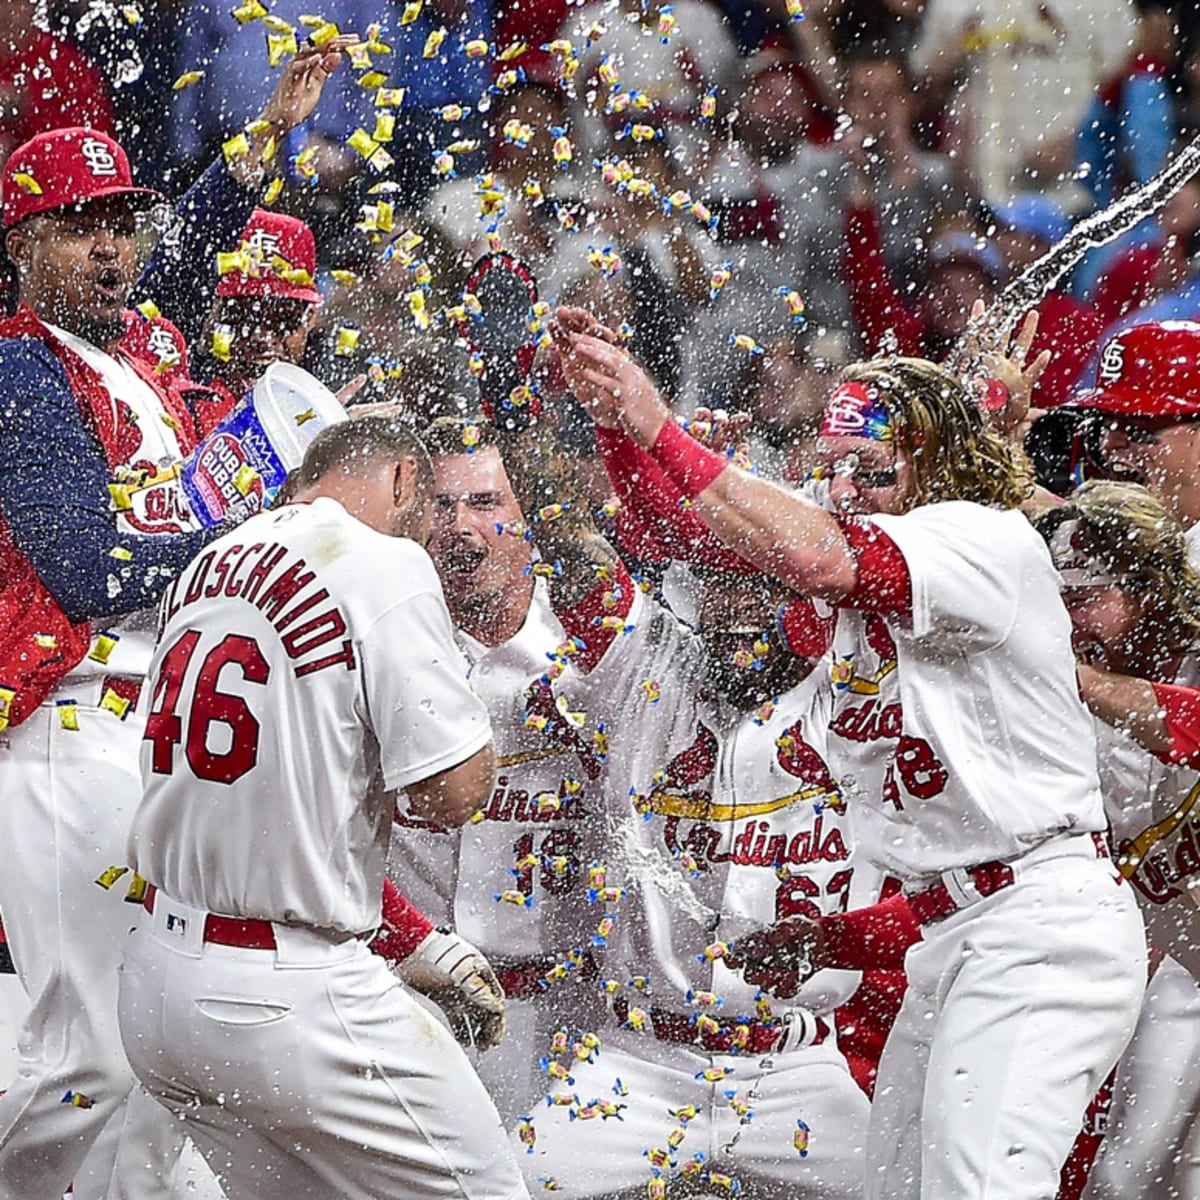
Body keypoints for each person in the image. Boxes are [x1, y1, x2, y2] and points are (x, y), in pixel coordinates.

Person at [554, 307, 1147, 1200]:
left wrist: (654, 421)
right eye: (832, 472)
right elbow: (691, 543)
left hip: (1040, 929)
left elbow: (822, 557)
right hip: (956, 931)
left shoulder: (981, 542)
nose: (845, 490)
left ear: (940, 468)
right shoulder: (862, 588)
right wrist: (614, 428)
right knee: (903, 1187)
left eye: (871, 471)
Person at [118, 416, 529, 1200]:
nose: (433, 531)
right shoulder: (383, 562)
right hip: (291, 995)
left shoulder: (209, 561)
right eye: (428, 504)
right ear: (404, 478)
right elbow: (455, 793)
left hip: (157, 991)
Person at [1036, 481, 1200, 1199]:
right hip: (1186, 974)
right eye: (1056, 600)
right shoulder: (1070, 707)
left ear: (1152, 586)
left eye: (1086, 596)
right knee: (1124, 1181)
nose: (1068, 621)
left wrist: (1075, 681)